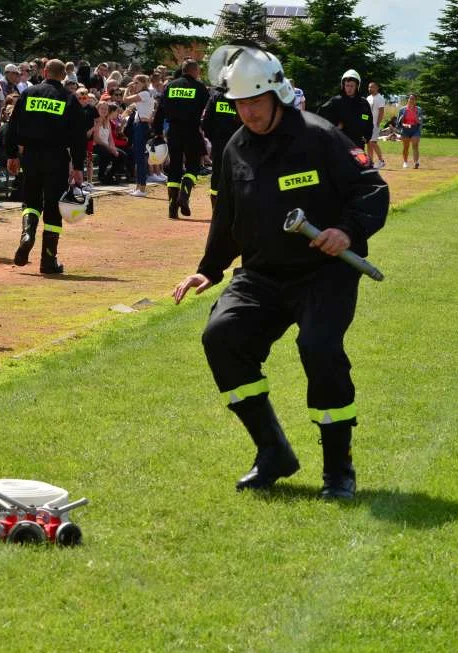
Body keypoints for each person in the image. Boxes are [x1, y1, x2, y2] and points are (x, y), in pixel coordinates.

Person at [173, 43, 388, 500]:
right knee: (222, 337)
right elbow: (228, 215)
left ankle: (339, 470)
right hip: (262, 274)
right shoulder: (235, 148)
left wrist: (346, 231)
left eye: (255, 101)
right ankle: (273, 451)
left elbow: (372, 189)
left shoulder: (321, 136)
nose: (248, 112)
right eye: (239, 104)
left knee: (319, 348)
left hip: (323, 272)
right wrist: (209, 269)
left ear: (278, 94)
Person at [5, 59, 87, 274]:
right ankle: (48, 261)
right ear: (63, 76)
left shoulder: (28, 93)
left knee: (30, 201)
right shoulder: (68, 98)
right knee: (52, 207)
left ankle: (27, 235)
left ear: (44, 72)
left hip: (30, 156)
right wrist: (78, 166)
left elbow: (13, 125)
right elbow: (79, 137)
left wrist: (12, 154)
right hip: (57, 158)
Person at [151, 58, 208, 220]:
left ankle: (172, 208)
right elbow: (207, 112)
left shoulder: (170, 86)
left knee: (175, 167)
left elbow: (160, 111)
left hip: (174, 131)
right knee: (193, 166)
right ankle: (184, 195)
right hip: (192, 130)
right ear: (194, 71)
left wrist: (157, 133)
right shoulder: (200, 87)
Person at [200, 80, 241, 211]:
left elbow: (206, 121)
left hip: (219, 143)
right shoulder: (240, 97)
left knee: (217, 173)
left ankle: (215, 208)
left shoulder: (215, 97)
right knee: (237, 173)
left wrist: (212, 138)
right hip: (238, 143)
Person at [318, 69, 373, 151]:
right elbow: (321, 114)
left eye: (351, 86)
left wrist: (367, 137)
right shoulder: (336, 101)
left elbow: (368, 120)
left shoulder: (363, 103)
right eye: (347, 85)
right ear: (343, 85)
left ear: (357, 86)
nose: (349, 88)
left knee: (357, 163)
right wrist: (336, 125)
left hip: (358, 144)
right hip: (340, 142)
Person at [121, 74, 154, 197]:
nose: (134, 85)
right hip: (139, 126)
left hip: (141, 126)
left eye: (136, 83)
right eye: (134, 83)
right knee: (138, 157)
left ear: (143, 83)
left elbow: (125, 100)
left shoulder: (144, 94)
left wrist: (127, 89)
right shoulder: (146, 94)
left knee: (140, 158)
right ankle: (138, 187)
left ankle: (142, 188)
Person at [398, 94, 423, 169]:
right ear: (408, 100)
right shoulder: (402, 110)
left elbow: (420, 122)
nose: (411, 100)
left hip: (415, 129)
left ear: (416, 101)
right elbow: (399, 123)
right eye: (410, 99)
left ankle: (416, 162)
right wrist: (403, 125)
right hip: (405, 129)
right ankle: (405, 162)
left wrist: (416, 117)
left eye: (413, 99)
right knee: (406, 147)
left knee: (415, 145)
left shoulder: (419, 110)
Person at [366, 81, 386, 168]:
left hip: (374, 124)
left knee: (373, 142)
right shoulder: (368, 98)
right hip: (367, 124)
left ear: (377, 88)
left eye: (372, 87)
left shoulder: (380, 98)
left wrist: (378, 123)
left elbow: (381, 111)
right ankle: (370, 162)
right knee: (368, 143)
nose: (370, 89)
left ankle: (381, 161)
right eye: (369, 87)